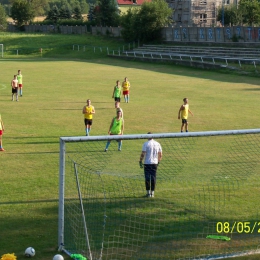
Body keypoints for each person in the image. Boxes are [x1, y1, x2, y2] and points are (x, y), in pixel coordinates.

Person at [139, 132, 162, 198]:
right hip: (154, 163)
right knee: (153, 178)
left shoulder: (146, 144)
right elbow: (160, 154)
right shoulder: (157, 144)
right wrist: (158, 161)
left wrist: (140, 161)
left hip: (147, 163)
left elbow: (143, 153)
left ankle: (148, 193)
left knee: (147, 178)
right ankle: (152, 193)